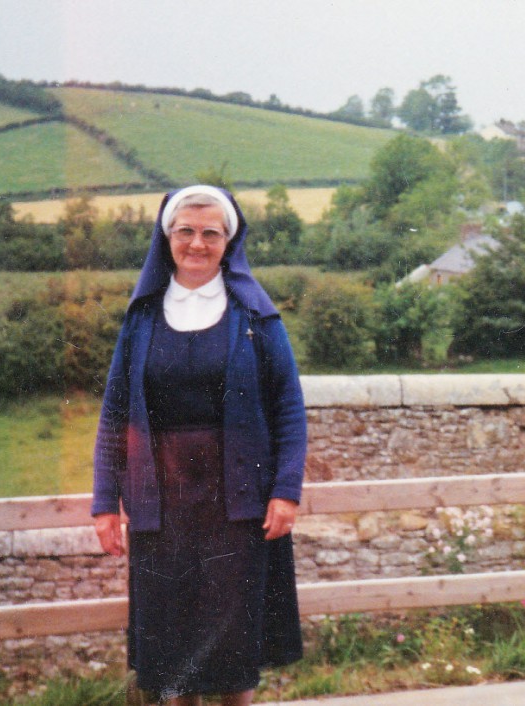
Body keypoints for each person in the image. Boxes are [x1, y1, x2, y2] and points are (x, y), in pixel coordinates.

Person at [91, 185, 307, 705]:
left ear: (228, 241)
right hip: (160, 507)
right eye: (185, 230)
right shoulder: (141, 317)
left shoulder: (255, 316)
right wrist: (104, 502)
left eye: (211, 233)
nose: (197, 243)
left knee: (232, 660)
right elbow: (114, 412)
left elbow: (289, 408)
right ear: (167, 238)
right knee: (170, 661)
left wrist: (286, 491)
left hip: (235, 507)